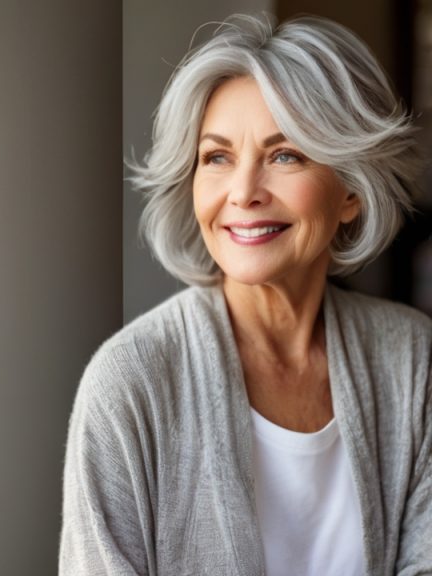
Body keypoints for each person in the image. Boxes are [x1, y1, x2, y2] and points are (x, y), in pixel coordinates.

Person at [60, 14, 431, 575]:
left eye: (285, 155)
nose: (243, 192)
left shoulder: (414, 360)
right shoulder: (128, 383)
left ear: (351, 190)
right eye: (217, 157)